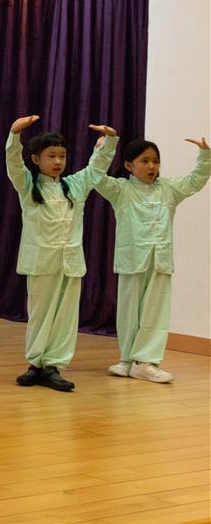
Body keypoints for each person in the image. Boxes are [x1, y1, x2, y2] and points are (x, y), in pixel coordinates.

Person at [6, 117, 118, 392]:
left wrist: (110, 141)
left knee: (66, 317)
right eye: (51, 156)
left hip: (71, 262)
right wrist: (14, 134)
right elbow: (14, 164)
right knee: (40, 314)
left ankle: (54, 366)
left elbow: (96, 168)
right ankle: (36, 364)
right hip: (41, 262)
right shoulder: (28, 185)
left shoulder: (75, 185)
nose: (57, 161)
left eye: (62, 156)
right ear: (36, 158)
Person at [95, 137, 209, 383]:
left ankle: (145, 361)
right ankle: (128, 360)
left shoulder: (169, 188)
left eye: (155, 161)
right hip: (132, 259)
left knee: (155, 312)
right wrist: (102, 151)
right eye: (144, 161)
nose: (151, 166)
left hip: (160, 260)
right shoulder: (120, 189)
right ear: (129, 165)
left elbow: (195, 181)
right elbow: (96, 178)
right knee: (128, 312)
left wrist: (205, 156)